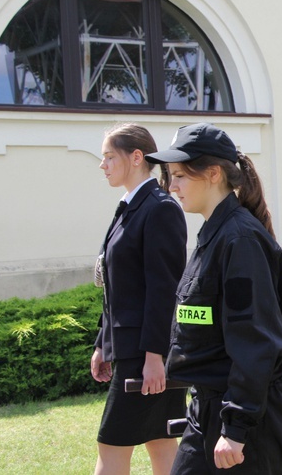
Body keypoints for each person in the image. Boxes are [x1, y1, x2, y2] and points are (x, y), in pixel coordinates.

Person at [145, 123, 282, 474]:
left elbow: (256, 341)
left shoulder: (239, 240)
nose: (172, 186)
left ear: (213, 174)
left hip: (245, 421)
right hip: (208, 408)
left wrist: (236, 427)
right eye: (170, 176)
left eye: (180, 175)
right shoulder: (215, 235)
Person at [92, 123, 188, 475]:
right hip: (131, 350)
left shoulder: (160, 208)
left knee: (112, 443)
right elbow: (118, 288)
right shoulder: (130, 206)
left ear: (136, 157)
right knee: (161, 442)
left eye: (108, 157)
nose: (102, 165)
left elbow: (164, 289)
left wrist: (154, 356)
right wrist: (104, 344)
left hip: (146, 356)